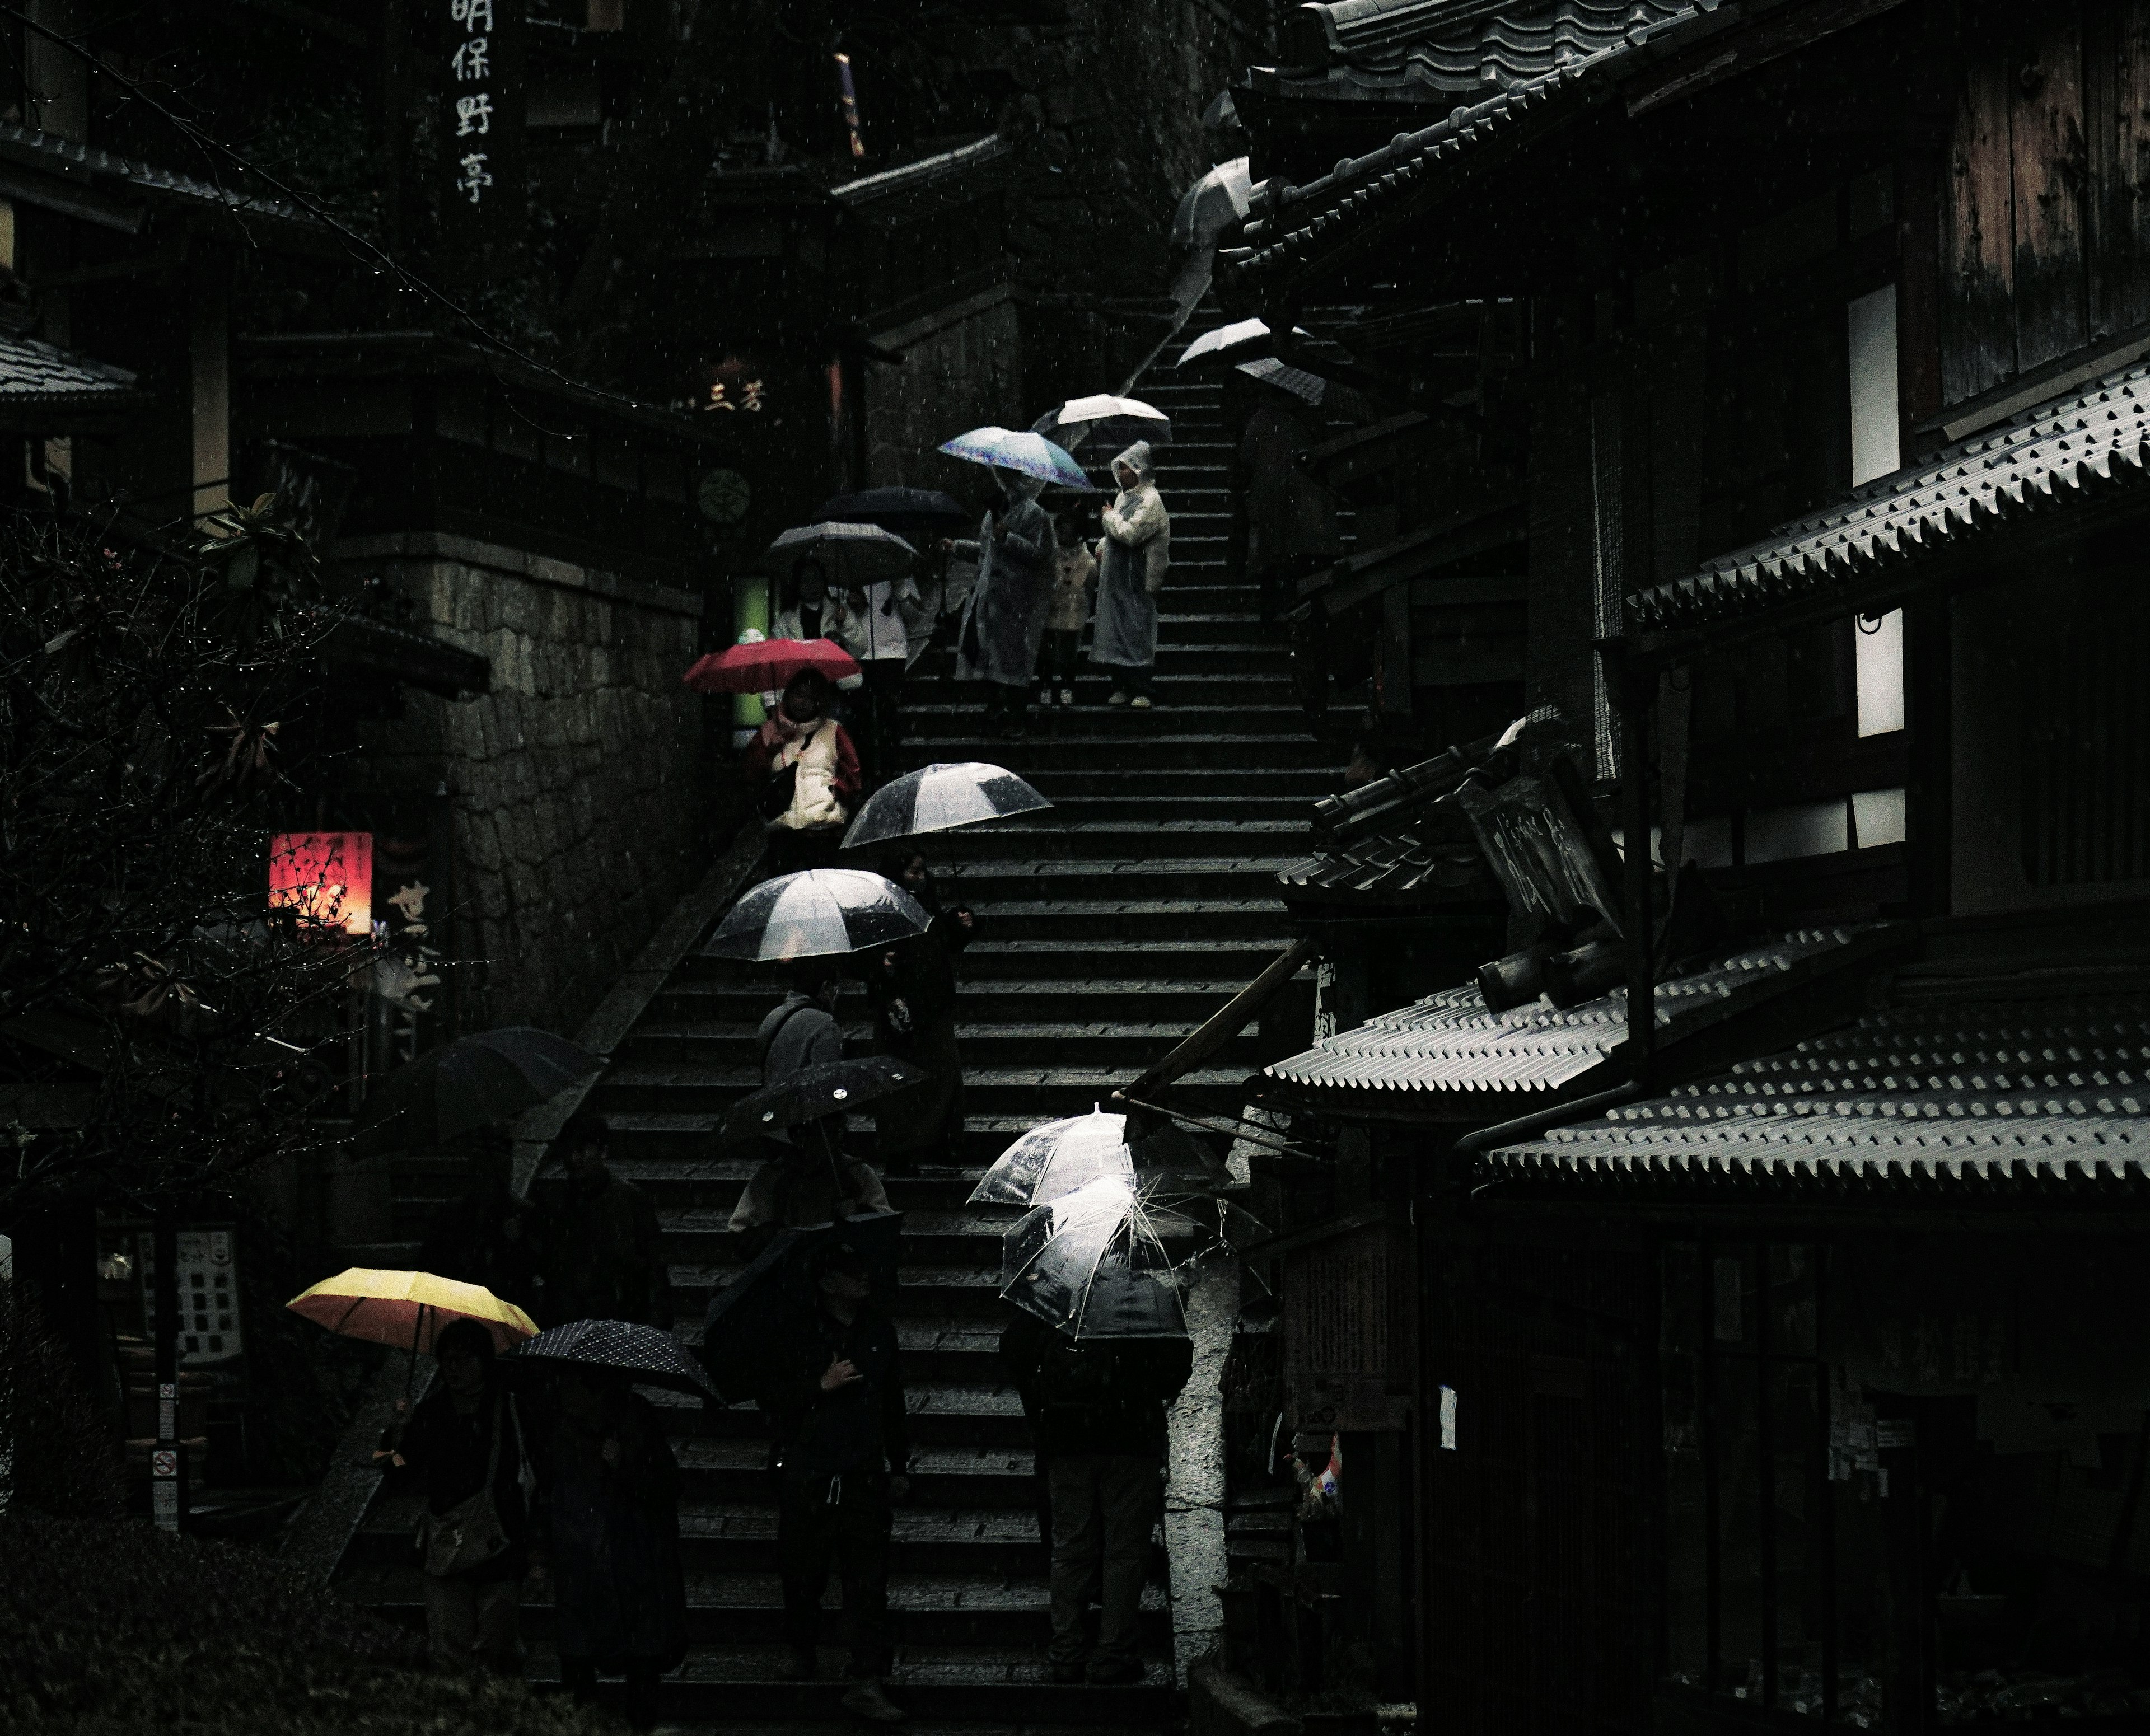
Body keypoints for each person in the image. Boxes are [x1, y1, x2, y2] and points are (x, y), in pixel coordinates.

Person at [999, 1311, 1193, 1685]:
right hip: (1131, 1437)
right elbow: (1175, 1370)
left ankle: (1067, 1651)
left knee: (1071, 1546)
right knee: (1125, 1549)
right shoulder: (1145, 1292)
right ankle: (1114, 1654)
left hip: (1068, 1437)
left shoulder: (1059, 1291)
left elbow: (1014, 1348)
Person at [762, 1238, 912, 1724]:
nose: (863, 1278)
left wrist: (900, 1463)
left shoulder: (876, 1331)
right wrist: (817, 1386)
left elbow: (893, 1401)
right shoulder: (798, 1334)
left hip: (863, 1472)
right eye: (850, 1271)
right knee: (803, 1568)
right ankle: (800, 1647)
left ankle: (866, 1676)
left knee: (867, 1579)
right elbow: (773, 1400)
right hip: (811, 1472)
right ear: (827, 1283)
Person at [385, 1318, 540, 1676]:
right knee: (449, 1649)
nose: (453, 1369)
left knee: (497, 1645)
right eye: (448, 1361)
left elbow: (535, 1471)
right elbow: (398, 1470)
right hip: (447, 1546)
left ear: (485, 1362)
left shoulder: (511, 1409)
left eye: (464, 1360)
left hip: (500, 1543)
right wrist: (395, 1433)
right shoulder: (431, 1414)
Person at [540, 1364, 687, 1733]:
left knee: (640, 1667)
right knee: (578, 1666)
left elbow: (664, 1486)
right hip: (581, 1559)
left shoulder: (635, 1420)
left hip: (632, 1561)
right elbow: (547, 1490)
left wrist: (624, 1465)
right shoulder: (561, 1429)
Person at [864, 849, 973, 1175]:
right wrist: (881, 966)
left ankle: (942, 1144)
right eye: (913, 872)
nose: (920, 878)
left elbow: (941, 947)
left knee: (945, 1075)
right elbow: (864, 958)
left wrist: (962, 926)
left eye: (923, 871)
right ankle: (901, 1151)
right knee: (900, 1083)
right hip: (899, 1011)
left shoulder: (927, 907)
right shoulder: (879, 911)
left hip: (933, 1006)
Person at [946, 467, 1055, 738]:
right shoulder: (992, 515)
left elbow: (1039, 555)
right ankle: (995, 709)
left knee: (1013, 660)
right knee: (988, 657)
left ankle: (1017, 715)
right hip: (989, 600)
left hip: (1017, 602)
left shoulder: (1034, 514)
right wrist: (957, 548)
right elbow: (986, 553)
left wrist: (1009, 537)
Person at [540, 1116, 672, 1330]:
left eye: (582, 1150)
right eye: (569, 1151)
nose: (574, 1159)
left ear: (603, 1152)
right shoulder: (557, 1204)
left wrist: (657, 1322)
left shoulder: (631, 1200)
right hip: (573, 1319)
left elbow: (654, 1266)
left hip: (621, 1316)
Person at [743, 669, 862, 876]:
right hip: (782, 831)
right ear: (788, 695)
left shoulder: (834, 731)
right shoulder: (770, 731)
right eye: (798, 694)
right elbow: (751, 774)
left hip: (822, 831)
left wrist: (834, 791)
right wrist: (770, 751)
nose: (802, 702)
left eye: (811, 697)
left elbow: (853, 775)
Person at [417, 1130, 544, 1317]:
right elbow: (435, 1259)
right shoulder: (453, 1214)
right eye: (478, 1176)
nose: (483, 1183)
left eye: (488, 1177)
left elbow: (533, 1267)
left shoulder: (520, 1214)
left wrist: (513, 1242)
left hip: (506, 1304)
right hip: (463, 1301)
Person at [1091, 441, 1171, 709]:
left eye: (1126, 468)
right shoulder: (1123, 497)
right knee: (1117, 629)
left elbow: (1132, 534)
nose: (1121, 473)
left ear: (1139, 469)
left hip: (1138, 577)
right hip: (1117, 577)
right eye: (1120, 469)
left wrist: (1109, 517)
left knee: (1137, 631)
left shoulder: (1151, 500)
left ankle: (1142, 687)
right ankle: (1121, 684)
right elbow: (1113, 535)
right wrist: (1103, 547)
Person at [845, 566, 927, 785]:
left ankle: (891, 773)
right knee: (860, 717)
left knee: (889, 715)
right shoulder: (843, 568)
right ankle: (864, 774)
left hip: (891, 653)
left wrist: (901, 592)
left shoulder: (894, 566)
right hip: (856, 652)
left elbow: (916, 616)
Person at [1039, 516, 1096, 709]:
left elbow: (1090, 581)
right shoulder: (1050, 553)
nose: (1064, 536)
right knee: (1046, 649)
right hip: (1051, 607)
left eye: (1069, 533)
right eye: (1061, 532)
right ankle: (1045, 685)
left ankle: (1067, 686)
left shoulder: (1086, 559)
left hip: (1073, 609)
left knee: (1069, 650)